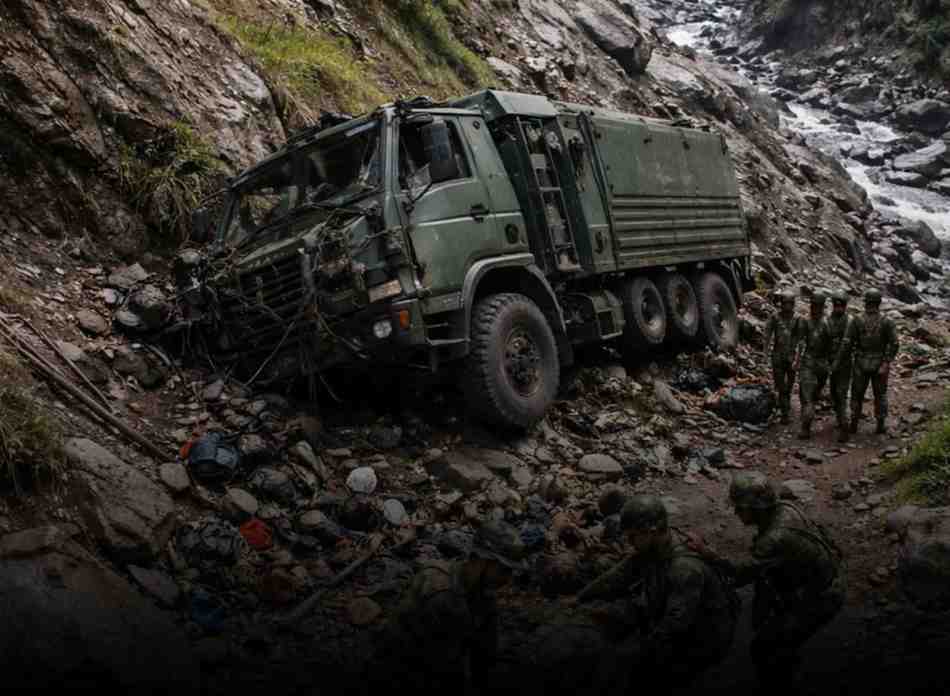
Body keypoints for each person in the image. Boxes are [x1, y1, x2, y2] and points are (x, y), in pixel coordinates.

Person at [570, 495, 740, 693]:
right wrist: (580, 597)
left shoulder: (683, 568)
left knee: (643, 675)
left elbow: (674, 626)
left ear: (650, 532)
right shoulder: (658, 543)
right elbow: (619, 575)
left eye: (633, 536)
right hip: (680, 619)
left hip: (702, 638)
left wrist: (634, 654)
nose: (629, 542)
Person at [372, 519, 527, 695]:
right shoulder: (440, 591)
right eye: (504, 570)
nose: (508, 579)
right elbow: (436, 665)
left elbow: (485, 654)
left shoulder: (483, 594)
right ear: (483, 560)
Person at [729, 471, 845, 695]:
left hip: (822, 597)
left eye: (740, 507)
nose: (736, 512)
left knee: (764, 648)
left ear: (756, 508)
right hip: (819, 580)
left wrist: (710, 556)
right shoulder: (786, 508)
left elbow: (741, 574)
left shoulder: (774, 539)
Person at [846, 289, 899, 435]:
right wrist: (886, 362)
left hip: (860, 362)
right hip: (879, 362)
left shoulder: (856, 320)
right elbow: (894, 343)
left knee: (857, 394)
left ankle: (854, 423)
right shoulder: (887, 321)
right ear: (879, 303)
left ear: (866, 302)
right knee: (880, 395)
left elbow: (848, 342)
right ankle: (880, 424)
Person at [795, 291, 832, 439]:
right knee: (814, 394)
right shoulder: (828, 323)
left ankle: (805, 429)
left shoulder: (805, 321)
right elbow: (832, 346)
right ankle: (812, 408)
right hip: (822, 364)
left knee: (807, 397)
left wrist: (797, 360)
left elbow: (801, 343)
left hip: (809, 362)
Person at [763, 291, 801, 425]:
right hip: (778, 355)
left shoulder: (797, 319)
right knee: (781, 385)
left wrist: (798, 358)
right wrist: (765, 353)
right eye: (785, 303)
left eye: (790, 304)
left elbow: (801, 340)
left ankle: (785, 404)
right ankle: (784, 413)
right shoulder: (775, 317)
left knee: (789, 385)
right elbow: (767, 335)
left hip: (791, 356)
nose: (787, 306)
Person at [826, 291, 854, 442]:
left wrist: (836, 362)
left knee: (841, 394)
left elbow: (846, 344)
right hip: (831, 362)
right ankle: (840, 419)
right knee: (834, 394)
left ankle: (845, 426)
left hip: (843, 363)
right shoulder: (829, 319)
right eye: (836, 305)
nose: (838, 308)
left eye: (841, 305)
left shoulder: (849, 321)